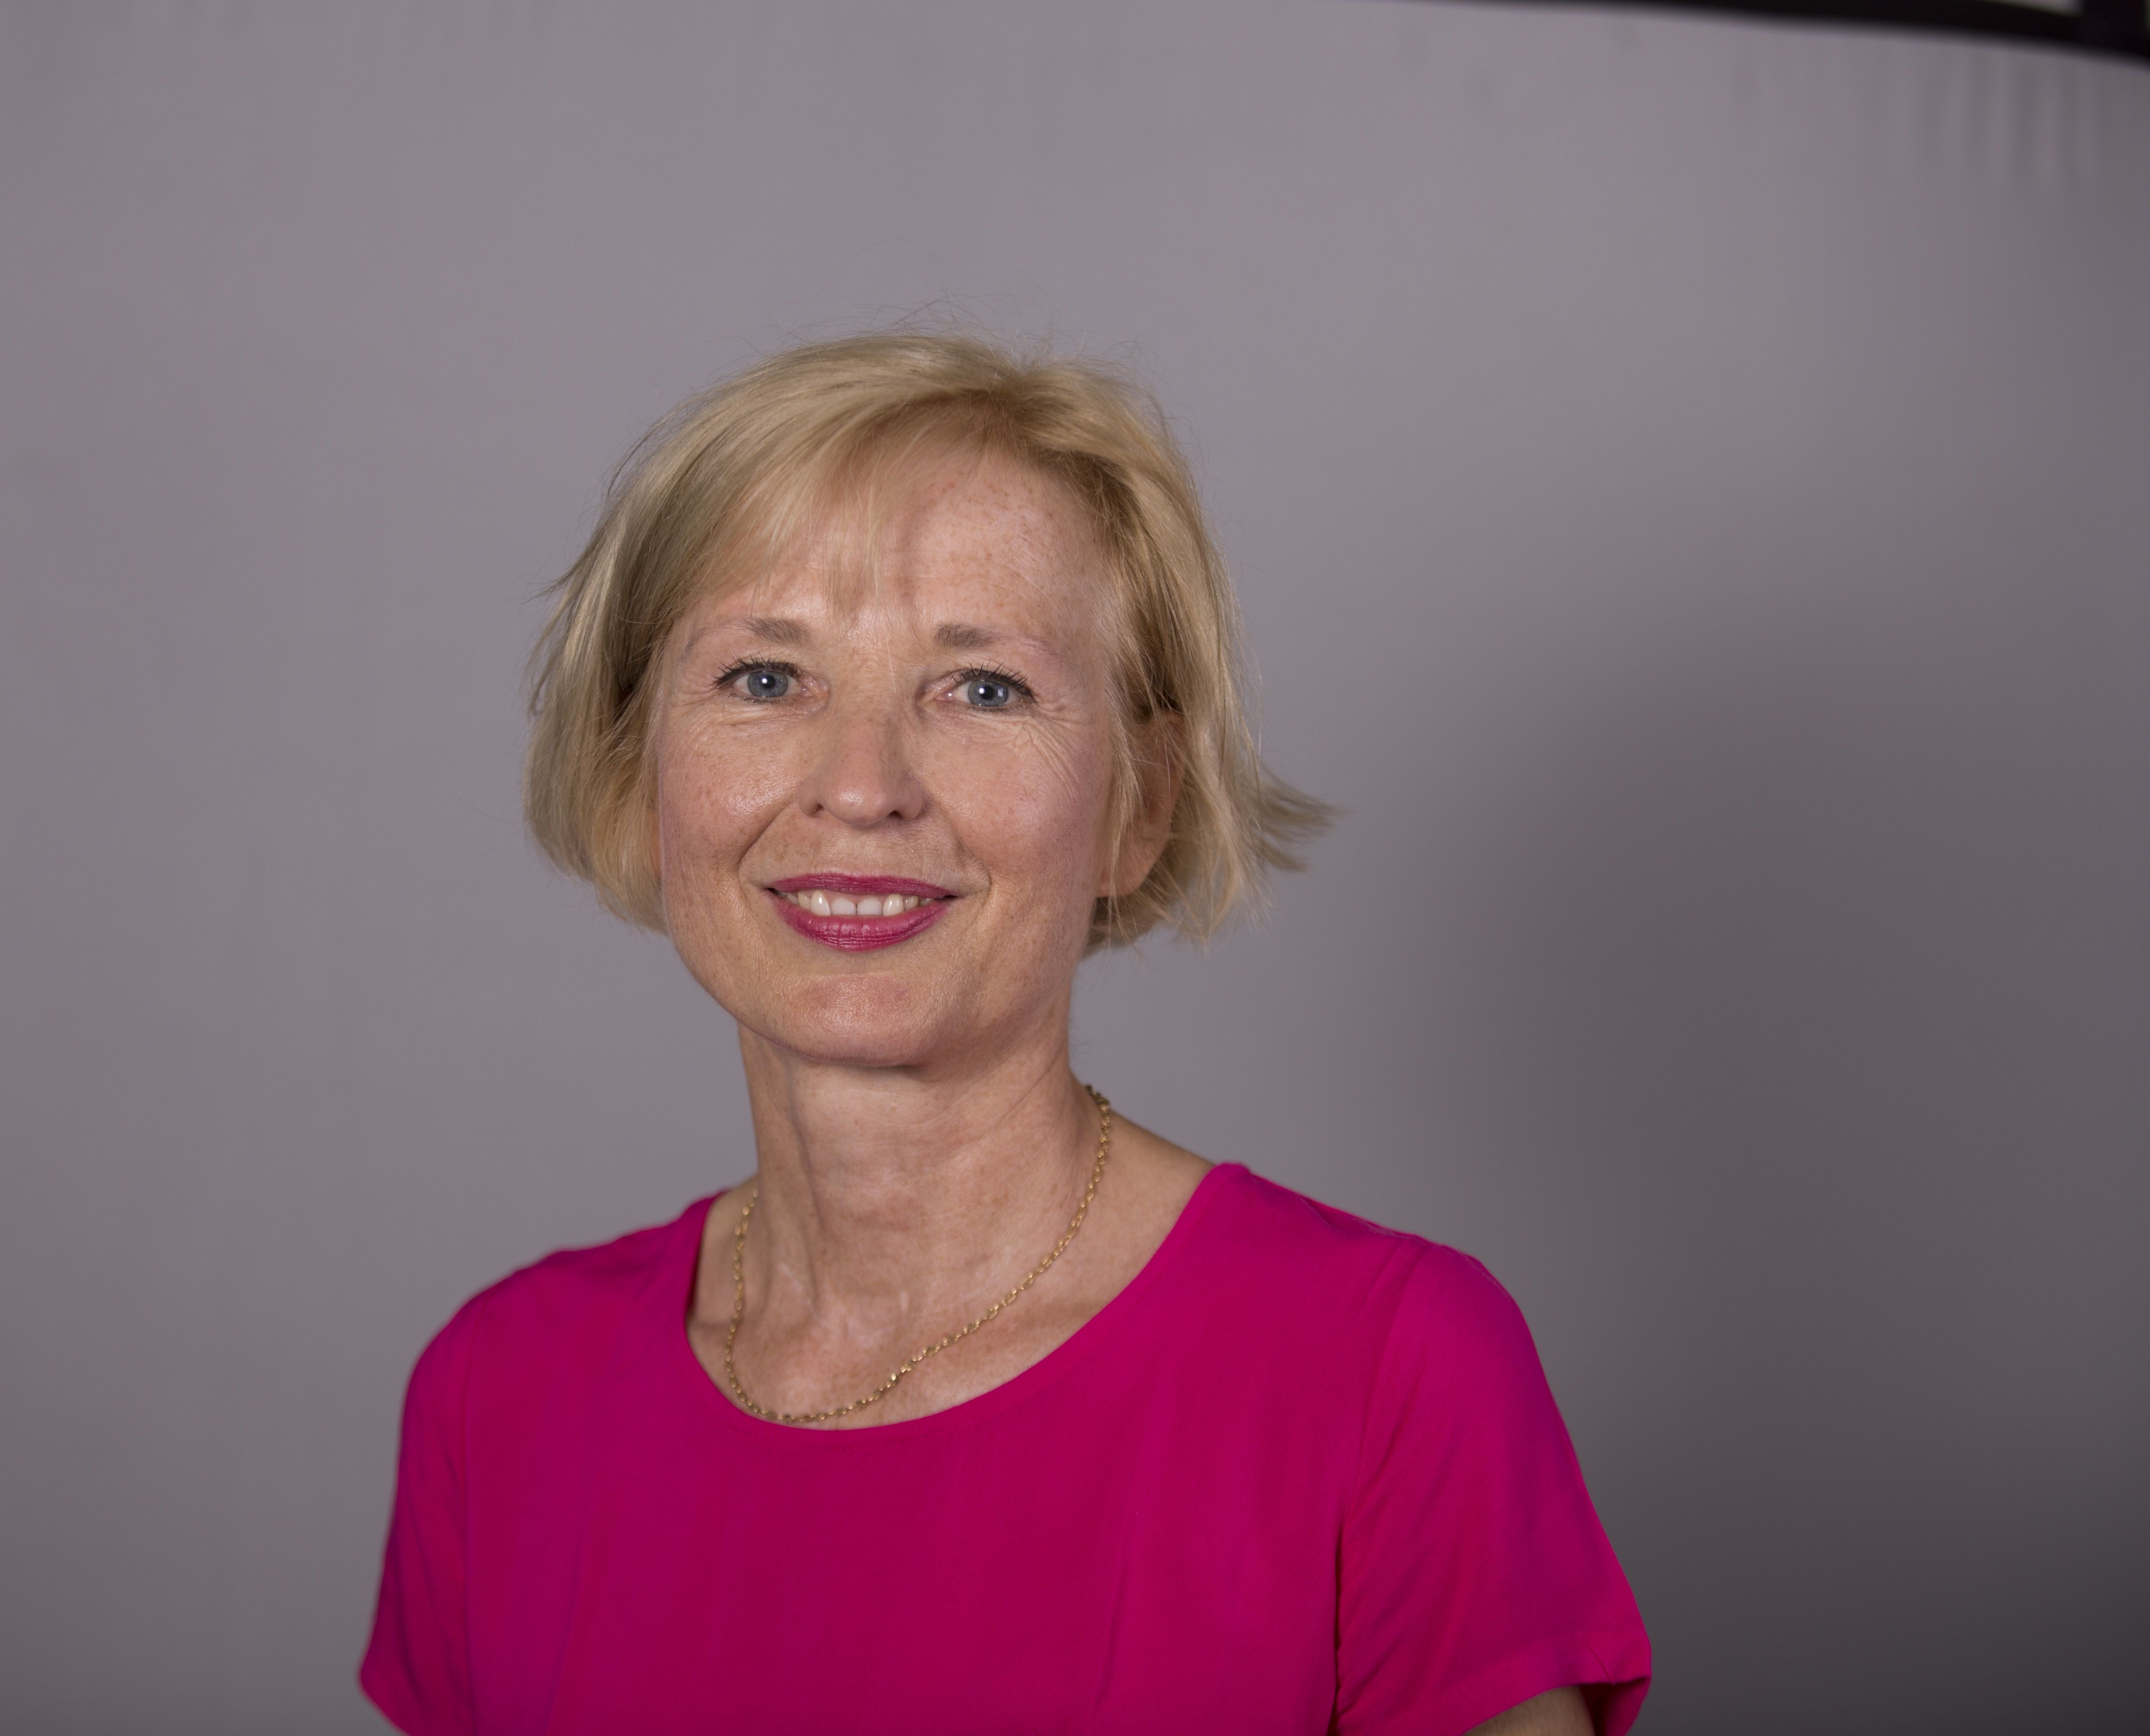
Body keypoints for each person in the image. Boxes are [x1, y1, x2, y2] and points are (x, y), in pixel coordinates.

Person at [360, 331, 1650, 1735]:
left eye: (983, 689)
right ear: (635, 773)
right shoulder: (499, 1394)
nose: (864, 787)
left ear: (1139, 804)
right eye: (766, 678)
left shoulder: (1388, 1373)